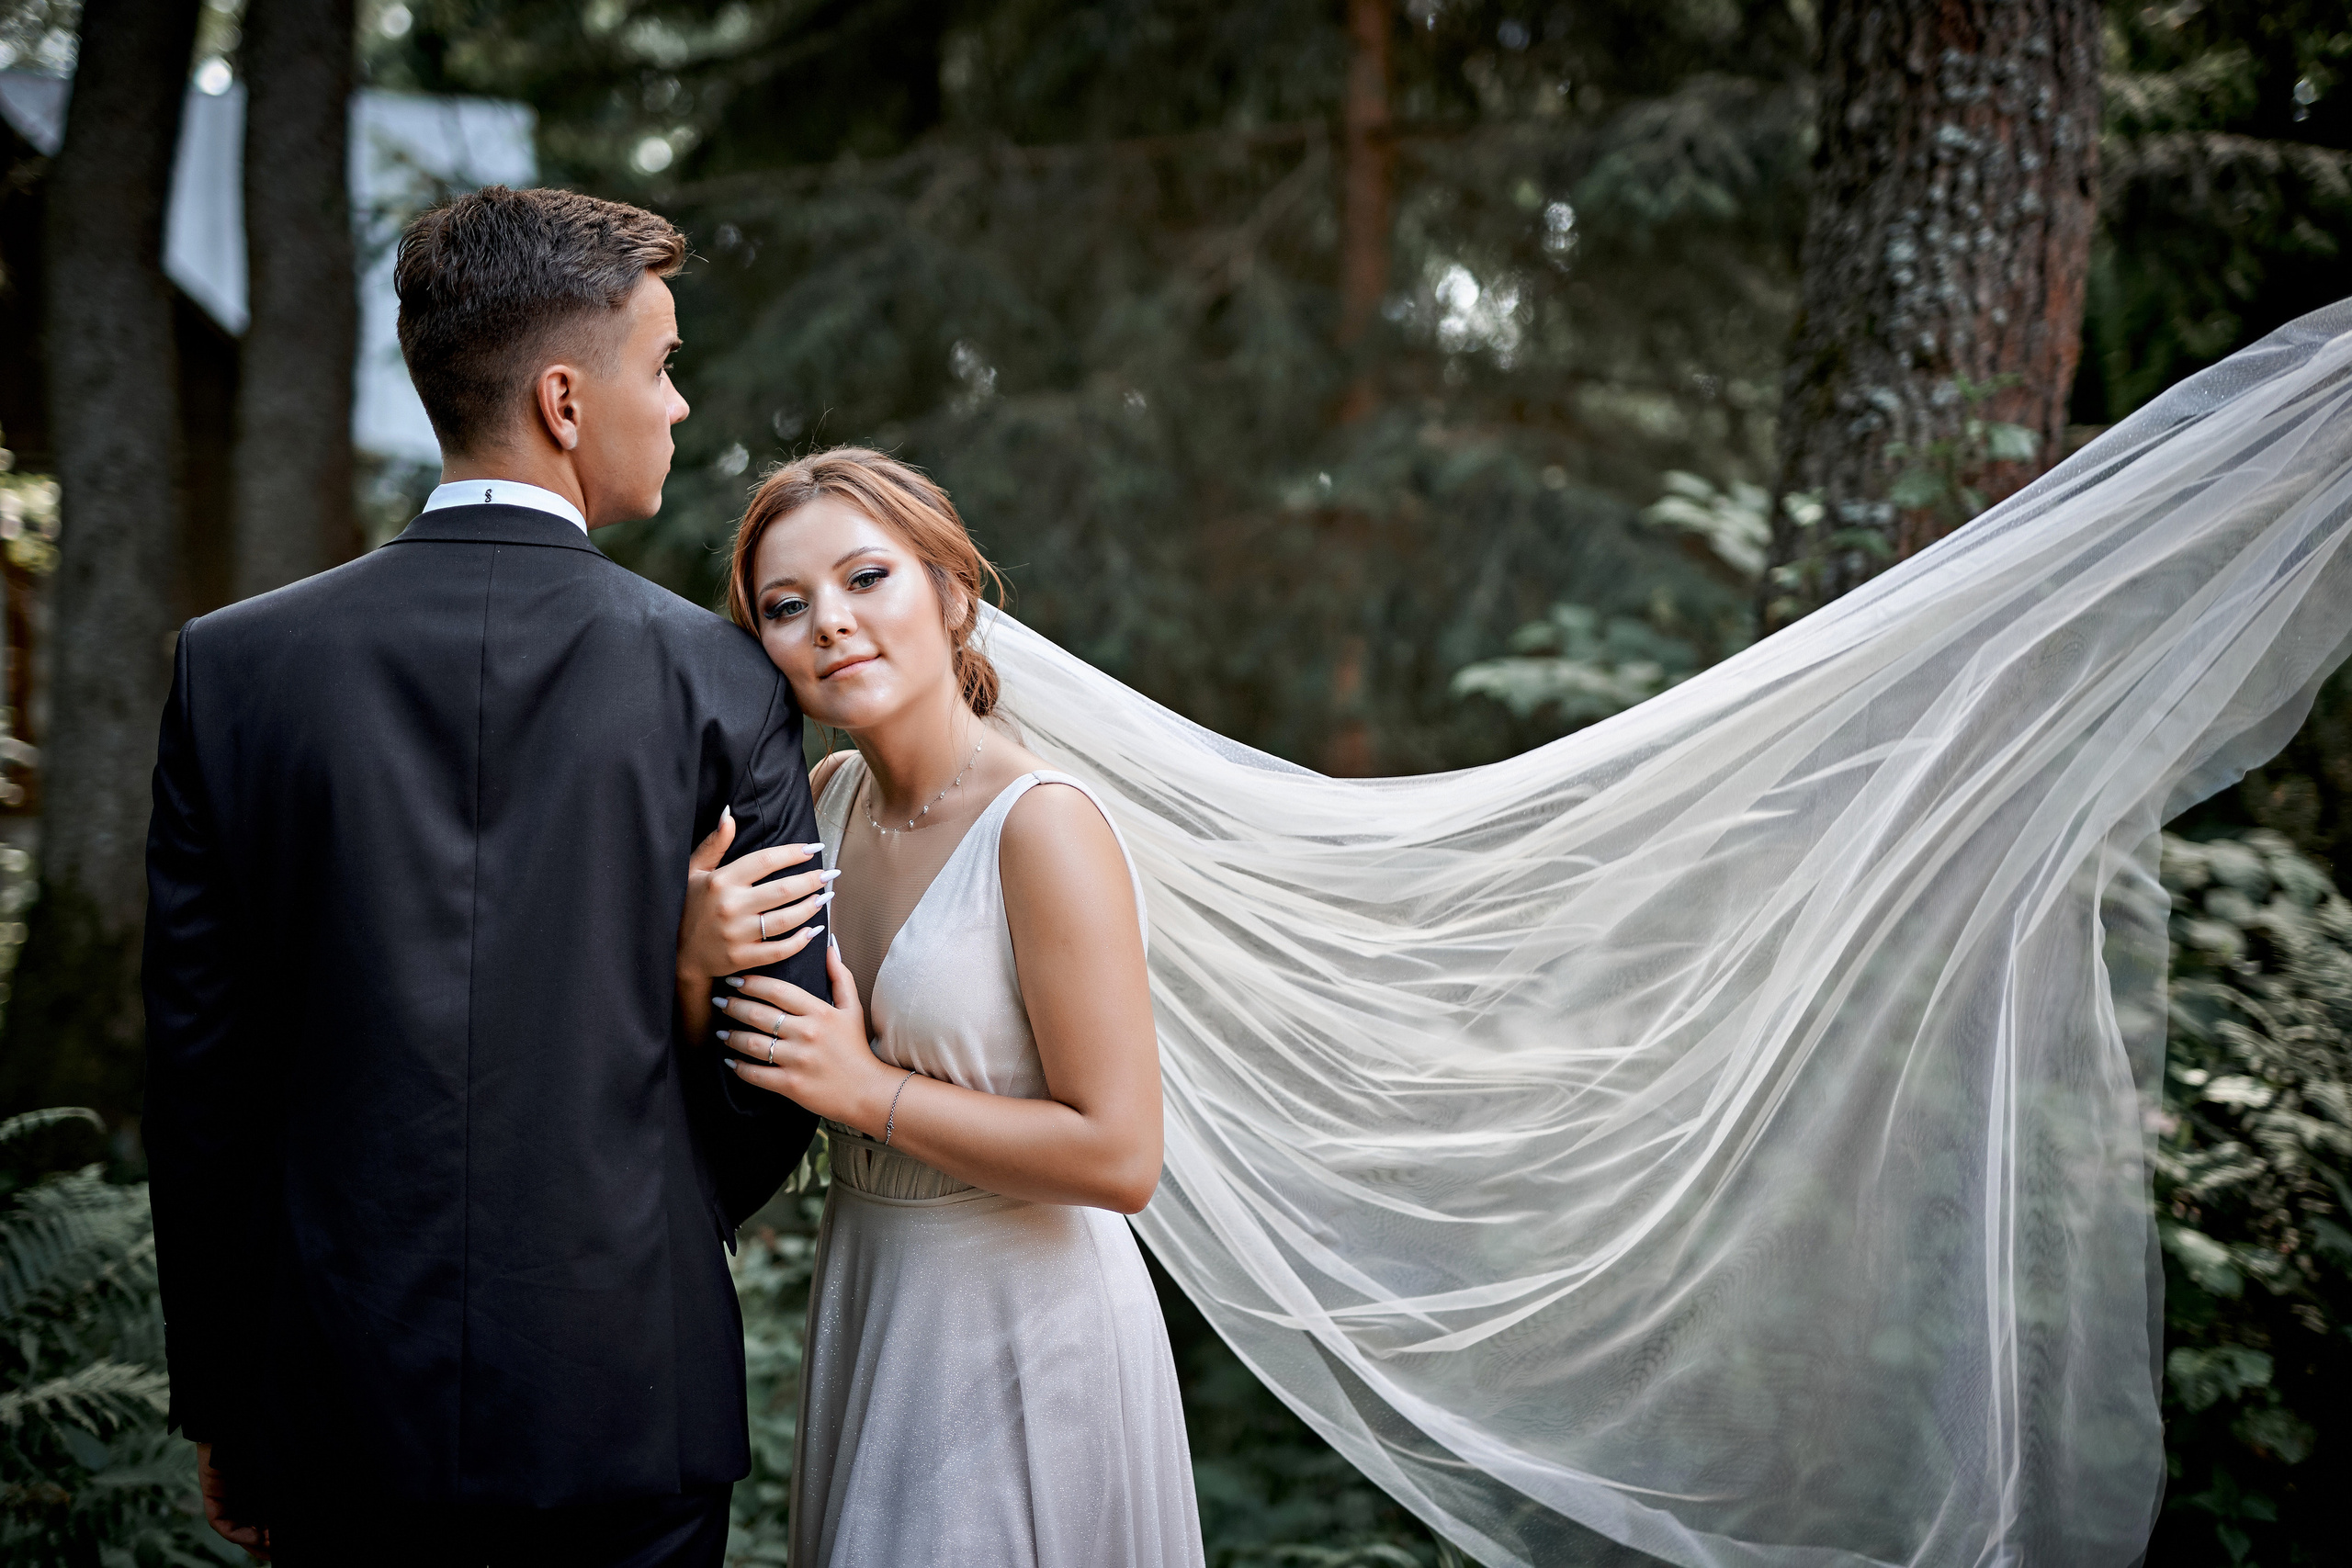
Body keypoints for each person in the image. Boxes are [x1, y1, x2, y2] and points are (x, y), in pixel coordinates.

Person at [142, 186, 830, 1566]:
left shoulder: (234, 666)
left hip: (334, 1413)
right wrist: (635, 1204)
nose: (681, 407)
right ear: (566, 402)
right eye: (666, 364)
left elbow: (199, 1083)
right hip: (629, 1402)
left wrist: (229, 1397)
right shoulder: (720, 680)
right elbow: (779, 1068)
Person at [676, 448, 1206, 1566]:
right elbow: (728, 1087)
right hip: (872, 1297)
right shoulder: (820, 804)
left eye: (866, 579)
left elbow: (1122, 1157)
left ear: (954, 594)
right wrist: (692, 960)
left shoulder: (1041, 827)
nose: (829, 622)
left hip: (1027, 1322)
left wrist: (869, 1092)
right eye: (786, 606)